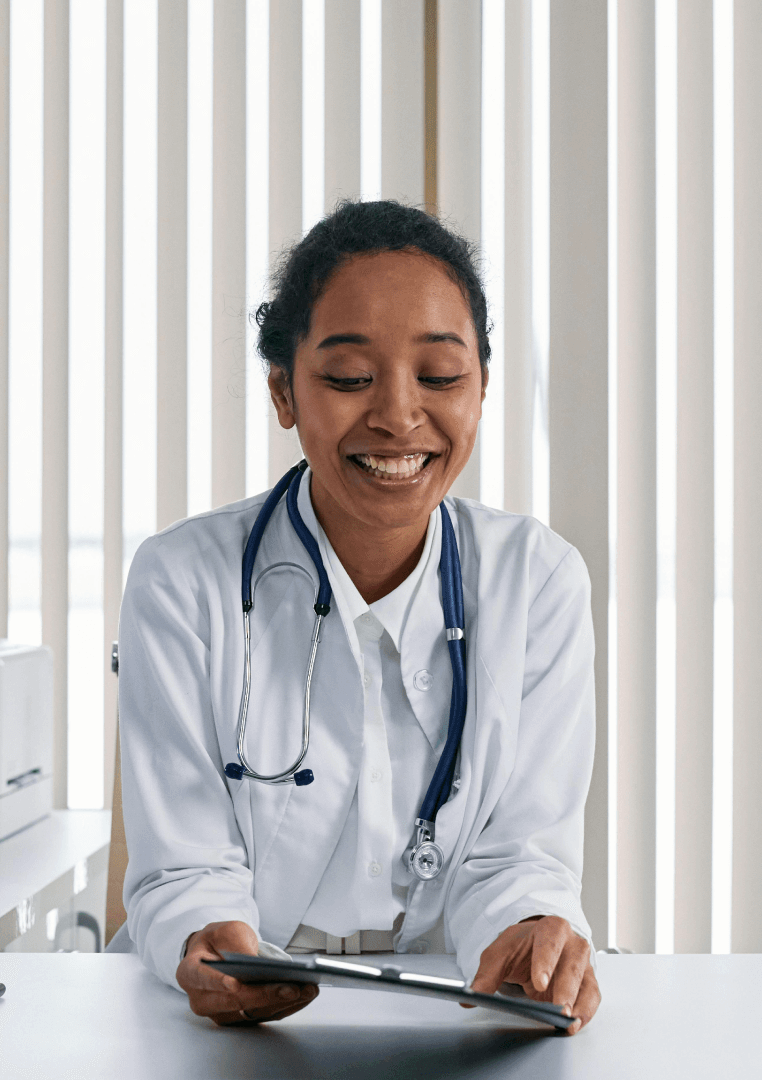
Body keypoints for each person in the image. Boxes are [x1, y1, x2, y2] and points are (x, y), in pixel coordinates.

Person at [112, 200, 601, 1032]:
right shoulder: (181, 580)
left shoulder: (537, 580)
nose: (398, 415)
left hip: (454, 1011)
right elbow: (183, 865)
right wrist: (209, 941)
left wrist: (530, 933)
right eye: (347, 379)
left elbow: (519, 854)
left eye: (441, 376)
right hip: (233, 1025)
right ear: (284, 392)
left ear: (481, 388)